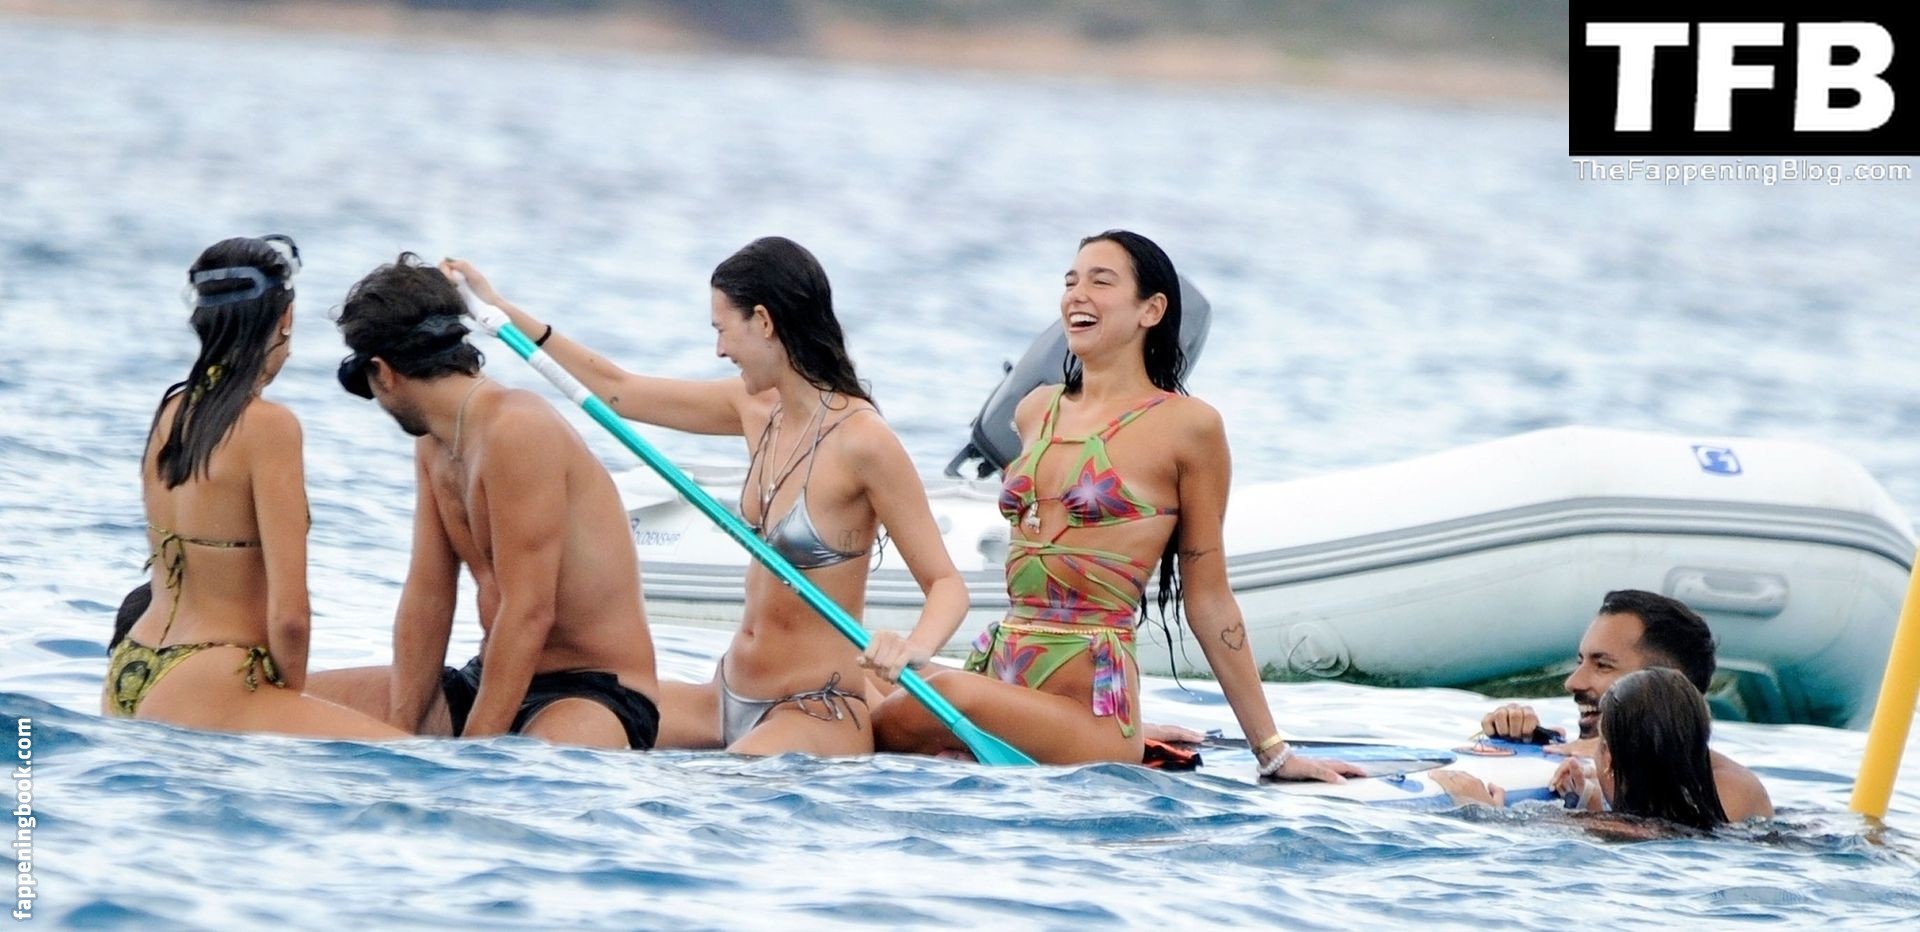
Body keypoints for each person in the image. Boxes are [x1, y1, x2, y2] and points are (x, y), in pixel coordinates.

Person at [441, 237, 968, 756]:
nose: (719, 350)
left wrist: (912, 647)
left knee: (719, 788)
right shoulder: (755, 407)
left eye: (722, 330)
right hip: (722, 698)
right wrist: (498, 310)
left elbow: (947, 585)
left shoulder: (864, 441)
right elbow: (620, 390)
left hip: (815, 708)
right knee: (571, 729)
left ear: (763, 321)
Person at [872, 230, 1360, 782]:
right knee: (847, 675)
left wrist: (1272, 751)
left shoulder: (1189, 427)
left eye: (1100, 282)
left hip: (1088, 712)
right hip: (1002, 676)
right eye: (1070, 282)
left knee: (930, 700)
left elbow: (1209, 598)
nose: (1077, 295)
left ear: (1151, 310)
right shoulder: (1036, 410)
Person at [303, 254, 660, 749]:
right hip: (488, 677)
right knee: (279, 709)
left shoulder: (517, 430)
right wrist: (402, 734)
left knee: (525, 766)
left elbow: (530, 611)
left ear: (382, 372)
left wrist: (472, 757)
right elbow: (428, 596)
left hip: (590, 690)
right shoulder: (434, 444)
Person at [104, 236, 401, 739]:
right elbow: (290, 617)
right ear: (285, 318)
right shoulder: (270, 427)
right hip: (212, 678)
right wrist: (286, 697)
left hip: (131, 665)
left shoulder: (171, 412)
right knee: (412, 757)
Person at [1477, 589, 1771, 819]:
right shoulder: (1589, 760)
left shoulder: (1732, 789)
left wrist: (1486, 816)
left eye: (1602, 665)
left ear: (1667, 685)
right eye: (1580, 662)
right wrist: (1517, 738)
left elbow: (1663, 840)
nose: (1573, 682)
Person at [1436, 668, 1730, 833]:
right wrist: (1587, 799)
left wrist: (1480, 812)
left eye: (1600, 743)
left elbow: (1514, 833)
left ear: (1609, 759)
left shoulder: (1616, 830)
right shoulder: (1708, 823)